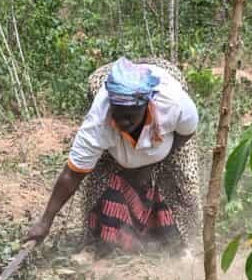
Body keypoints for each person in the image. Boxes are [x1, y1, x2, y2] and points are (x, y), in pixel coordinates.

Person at [25, 57, 201, 252]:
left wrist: (157, 160)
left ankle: (186, 245)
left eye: (129, 116)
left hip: (165, 112)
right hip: (113, 87)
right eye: (117, 114)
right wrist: (45, 221)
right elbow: (72, 174)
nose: (122, 122)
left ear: (146, 106)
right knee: (99, 182)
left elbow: (187, 132)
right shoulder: (98, 121)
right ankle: (101, 239)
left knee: (183, 181)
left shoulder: (174, 105)